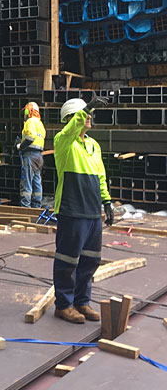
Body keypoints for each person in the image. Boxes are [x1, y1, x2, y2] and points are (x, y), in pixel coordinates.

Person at [52, 96, 113, 324]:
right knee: (68, 260)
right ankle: (64, 305)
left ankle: (81, 301)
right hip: (71, 209)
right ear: (70, 119)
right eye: (84, 114)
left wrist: (107, 201)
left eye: (89, 114)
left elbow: (100, 175)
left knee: (90, 260)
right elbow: (71, 130)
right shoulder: (63, 142)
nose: (88, 117)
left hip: (92, 211)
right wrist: (88, 106)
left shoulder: (93, 145)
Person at [17, 102, 46, 208]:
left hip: (30, 155)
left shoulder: (30, 121)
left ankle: (25, 206)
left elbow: (30, 137)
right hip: (39, 156)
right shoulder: (40, 123)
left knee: (27, 181)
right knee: (37, 180)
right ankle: (37, 205)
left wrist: (20, 146)